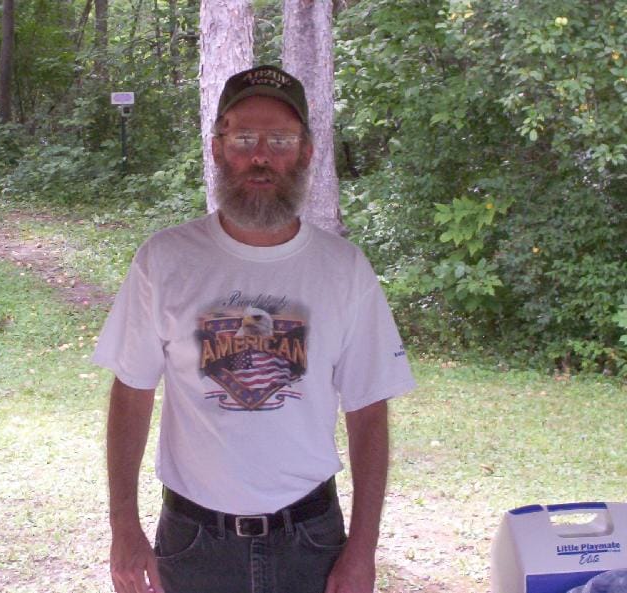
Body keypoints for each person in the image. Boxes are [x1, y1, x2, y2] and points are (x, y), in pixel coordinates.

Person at [92, 64, 416, 593]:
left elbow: (368, 411)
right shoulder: (164, 260)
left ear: (306, 152)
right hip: (193, 541)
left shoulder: (343, 269)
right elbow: (131, 393)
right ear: (218, 148)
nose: (261, 156)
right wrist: (123, 526)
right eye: (244, 138)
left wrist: (363, 550)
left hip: (311, 539)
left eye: (280, 140)